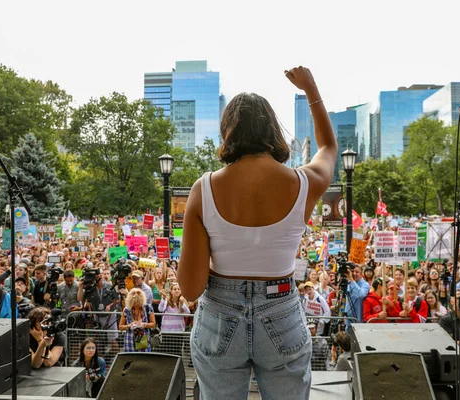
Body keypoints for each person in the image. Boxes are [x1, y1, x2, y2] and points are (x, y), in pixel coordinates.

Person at [177, 66, 337, 399]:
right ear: (272, 130)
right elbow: (328, 147)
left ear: (227, 132)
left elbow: (190, 289)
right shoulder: (304, 183)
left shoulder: (202, 190)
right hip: (282, 313)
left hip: (218, 318)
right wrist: (310, 90)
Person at [118, 288, 156, 352]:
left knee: (143, 360)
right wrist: (130, 325)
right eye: (134, 304)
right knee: (130, 360)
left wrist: (144, 324)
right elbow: (120, 327)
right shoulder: (126, 310)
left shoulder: (148, 308)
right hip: (130, 340)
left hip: (144, 339)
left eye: (138, 293)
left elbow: (153, 324)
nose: (136, 305)